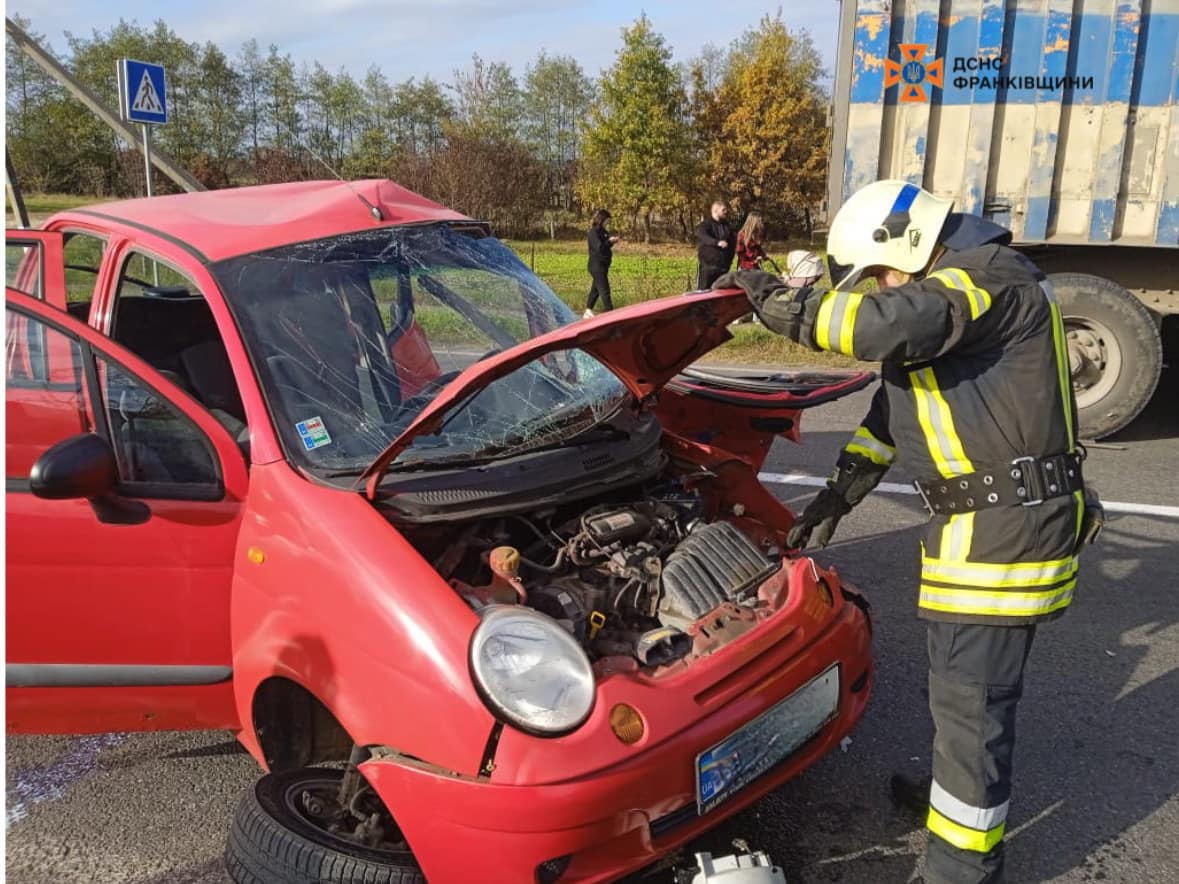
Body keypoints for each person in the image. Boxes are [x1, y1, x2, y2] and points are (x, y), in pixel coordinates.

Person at [714, 179, 1102, 884]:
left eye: (880, 272)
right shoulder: (953, 313)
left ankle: (960, 867)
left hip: (999, 537)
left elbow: (876, 326)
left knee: (971, 703)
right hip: (993, 527)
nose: (880, 288)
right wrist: (837, 495)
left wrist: (775, 302)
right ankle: (960, 797)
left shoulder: (986, 281)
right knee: (963, 702)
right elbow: (890, 422)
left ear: (908, 241)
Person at [584, 208, 619, 318]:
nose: (608, 223)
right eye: (607, 221)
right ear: (602, 219)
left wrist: (612, 242)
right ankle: (610, 315)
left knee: (596, 290)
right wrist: (609, 241)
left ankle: (588, 310)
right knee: (605, 291)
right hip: (596, 266)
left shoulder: (604, 232)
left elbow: (605, 246)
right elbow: (599, 248)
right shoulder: (593, 232)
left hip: (603, 266)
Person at [695, 200, 735, 290]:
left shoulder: (727, 226)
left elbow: (732, 244)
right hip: (707, 268)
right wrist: (717, 242)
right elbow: (702, 235)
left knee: (720, 294)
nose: (726, 212)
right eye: (723, 210)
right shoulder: (705, 225)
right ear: (716, 210)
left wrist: (729, 262)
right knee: (703, 294)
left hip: (723, 268)